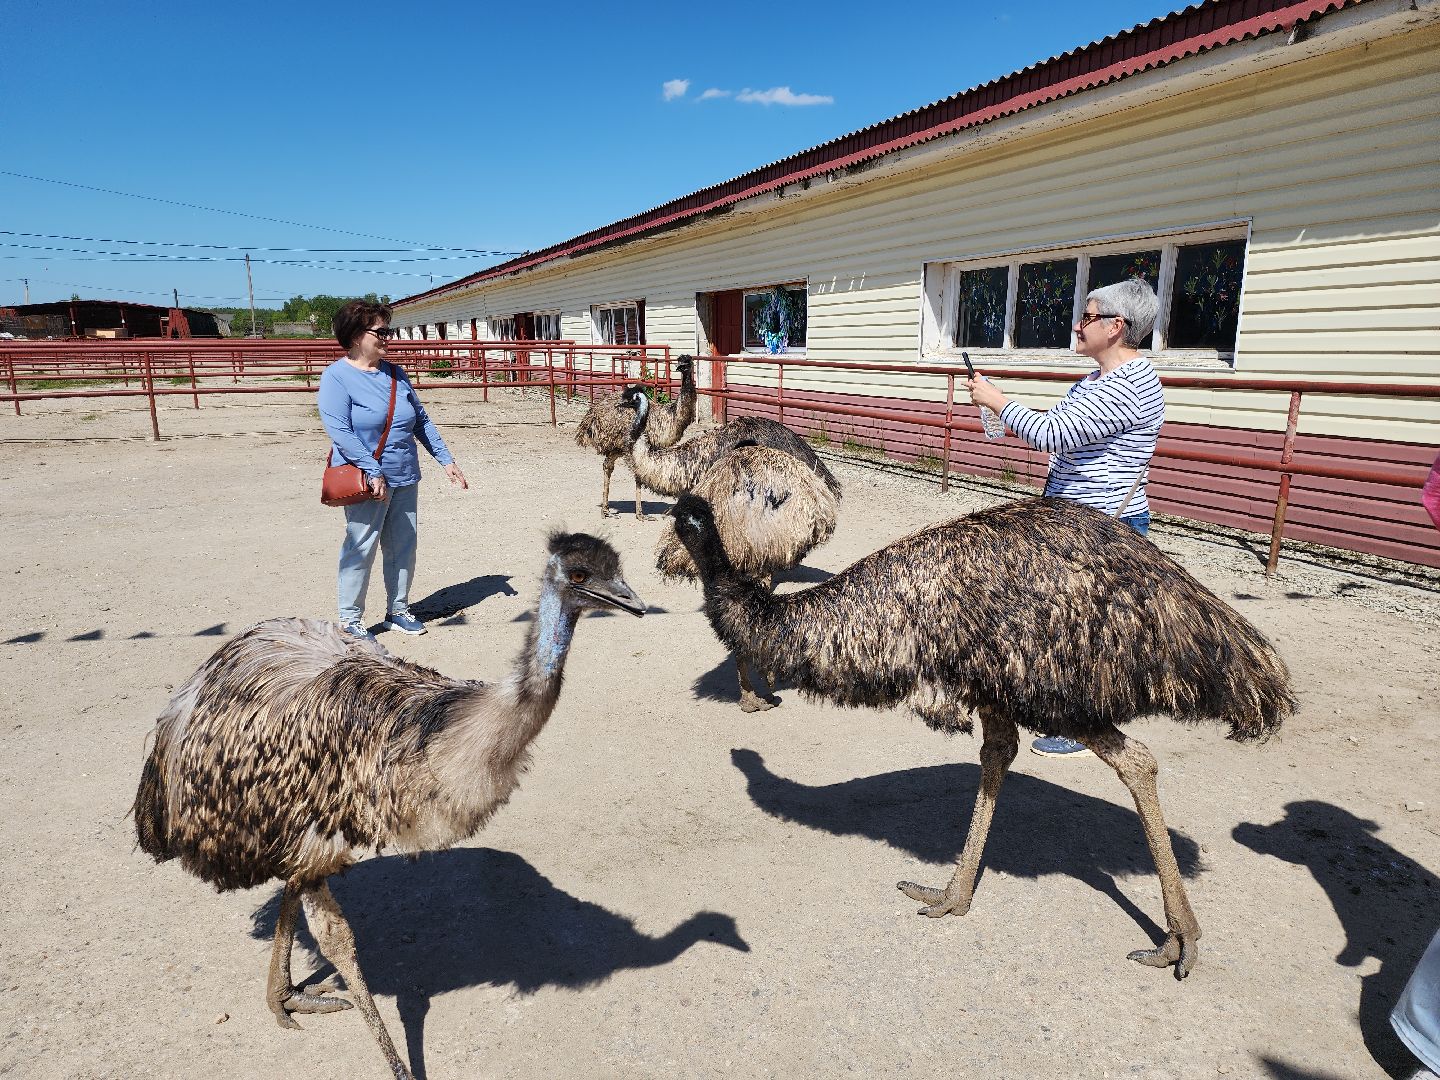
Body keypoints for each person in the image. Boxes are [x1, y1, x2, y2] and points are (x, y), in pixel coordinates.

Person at [968, 276, 1164, 758]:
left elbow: (1052, 433)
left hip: (1102, 529)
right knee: (1062, 621)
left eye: (1089, 317)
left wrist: (997, 401)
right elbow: (1054, 431)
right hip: (1074, 523)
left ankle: (1091, 723)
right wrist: (993, 409)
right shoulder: (1097, 381)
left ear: (1117, 327)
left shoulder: (1131, 385)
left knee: (1090, 630)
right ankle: (1070, 711)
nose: (1078, 326)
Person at [318, 299, 468, 640]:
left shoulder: (395, 373)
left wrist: (446, 460)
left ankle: (398, 611)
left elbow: (421, 421)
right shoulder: (337, 377)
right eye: (381, 331)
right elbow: (339, 431)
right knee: (361, 546)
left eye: (390, 330)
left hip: (404, 475)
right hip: (366, 480)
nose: (388, 337)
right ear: (355, 335)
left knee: (403, 545)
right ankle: (351, 621)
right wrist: (373, 470)